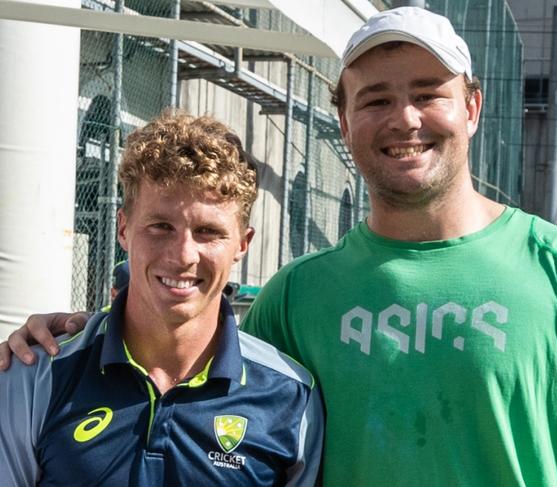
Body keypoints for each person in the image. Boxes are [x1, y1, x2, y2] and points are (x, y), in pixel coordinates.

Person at [1, 6, 557, 486]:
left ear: (473, 106)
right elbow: (196, 369)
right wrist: (68, 333)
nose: (405, 118)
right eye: (376, 98)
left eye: (429, 93)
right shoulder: (297, 296)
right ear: (343, 119)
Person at [0, 112, 323, 486]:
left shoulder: (291, 397)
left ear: (242, 244)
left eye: (208, 232)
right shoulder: (34, 376)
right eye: (160, 226)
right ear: (124, 229)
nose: (183, 254)